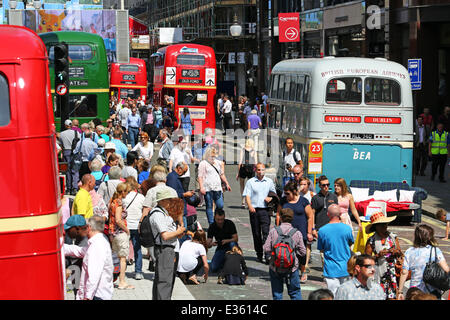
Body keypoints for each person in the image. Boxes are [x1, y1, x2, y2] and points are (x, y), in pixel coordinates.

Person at [63, 215, 114, 300]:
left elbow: (94, 274)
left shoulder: (97, 245)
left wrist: (87, 297)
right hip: (96, 294)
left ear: (89, 227)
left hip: (96, 295)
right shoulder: (96, 242)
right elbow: (79, 251)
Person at [150, 189, 186, 300]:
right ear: (163, 201)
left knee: (163, 279)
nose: (170, 202)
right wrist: (178, 232)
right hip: (165, 249)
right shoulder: (158, 215)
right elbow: (165, 235)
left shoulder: (161, 212)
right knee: (165, 281)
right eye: (169, 200)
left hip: (166, 248)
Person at [263, 208, 306, 300]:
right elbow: (303, 252)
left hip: (275, 266)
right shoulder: (297, 233)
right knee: (295, 293)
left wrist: (274, 253)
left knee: (277, 293)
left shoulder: (273, 231)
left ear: (280, 218)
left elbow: (266, 248)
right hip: (292, 267)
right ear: (292, 218)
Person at [398, 224, 450, 299]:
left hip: (415, 291)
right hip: (432, 290)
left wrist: (400, 291)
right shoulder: (435, 250)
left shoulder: (409, 251)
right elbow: (446, 269)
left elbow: (404, 272)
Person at [277, 180, 314, 283]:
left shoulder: (303, 201)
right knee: (287, 253)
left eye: (288, 193)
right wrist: (277, 229)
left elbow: (310, 216)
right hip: (286, 233)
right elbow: (278, 215)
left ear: (294, 192)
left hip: (301, 231)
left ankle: (303, 271)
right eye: (285, 193)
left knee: (301, 254)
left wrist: (309, 232)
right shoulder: (283, 201)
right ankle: (289, 272)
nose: (286, 195)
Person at [243, 163, 276, 264]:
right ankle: (259, 253)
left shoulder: (269, 181)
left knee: (266, 233)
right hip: (254, 210)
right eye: (258, 170)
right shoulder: (250, 182)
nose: (260, 172)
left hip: (265, 210)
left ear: (265, 170)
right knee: (256, 233)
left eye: (262, 170)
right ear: (255, 170)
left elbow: (274, 194)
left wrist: (270, 198)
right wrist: (250, 206)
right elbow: (247, 195)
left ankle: (267, 254)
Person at [364, 212, 403, 300]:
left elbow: (400, 253)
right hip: (379, 273)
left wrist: (396, 252)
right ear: (376, 227)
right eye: (382, 225)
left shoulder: (392, 237)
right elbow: (366, 259)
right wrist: (378, 255)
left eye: (386, 224)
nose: (385, 226)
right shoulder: (371, 240)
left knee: (392, 296)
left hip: (393, 272)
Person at [317, 204, 354, 295]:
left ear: (328, 214)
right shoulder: (347, 228)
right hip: (345, 267)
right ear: (340, 213)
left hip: (331, 268)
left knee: (332, 295)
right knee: (346, 295)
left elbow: (321, 248)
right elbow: (350, 243)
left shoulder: (322, 230)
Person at [108, 182, 134, 290]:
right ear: (122, 192)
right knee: (122, 259)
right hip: (120, 233)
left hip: (112, 233)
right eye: (127, 192)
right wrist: (127, 230)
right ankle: (122, 282)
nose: (127, 194)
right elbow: (118, 220)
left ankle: (110, 280)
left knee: (114, 258)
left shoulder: (112, 201)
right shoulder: (119, 203)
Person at [198, 146, 231, 225]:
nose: (213, 158)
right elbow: (200, 176)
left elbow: (222, 174)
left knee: (220, 205)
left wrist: (227, 183)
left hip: (217, 187)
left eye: (214, 156)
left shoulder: (218, 163)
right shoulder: (203, 163)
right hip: (208, 188)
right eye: (211, 156)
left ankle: (216, 219)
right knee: (209, 206)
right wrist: (201, 187)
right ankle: (211, 223)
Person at [123, 177, 145, 280]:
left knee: (123, 249)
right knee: (137, 249)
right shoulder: (140, 197)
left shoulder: (124, 197)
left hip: (125, 226)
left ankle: (120, 270)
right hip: (137, 226)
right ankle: (138, 272)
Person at [64, 215, 89, 299]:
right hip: (78, 280)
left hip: (85, 284)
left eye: (68, 229)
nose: (66, 231)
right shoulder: (78, 238)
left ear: (77, 228)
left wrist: (68, 270)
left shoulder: (86, 242)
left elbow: (77, 253)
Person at [207, 208, 239, 273]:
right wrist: (211, 244)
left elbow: (236, 239)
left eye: (222, 219)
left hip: (230, 246)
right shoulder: (212, 226)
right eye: (218, 219)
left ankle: (235, 262)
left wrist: (226, 241)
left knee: (232, 243)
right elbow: (208, 244)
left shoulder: (229, 223)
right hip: (221, 248)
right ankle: (224, 262)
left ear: (224, 217)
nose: (220, 222)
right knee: (213, 267)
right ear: (214, 218)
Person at [58, 119, 79, 195]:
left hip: (66, 152)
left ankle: (69, 188)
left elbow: (61, 144)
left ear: (65, 125)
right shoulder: (76, 133)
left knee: (68, 171)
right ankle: (75, 188)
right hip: (75, 152)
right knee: (75, 170)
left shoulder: (62, 134)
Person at [236, 138, 257, 208]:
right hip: (251, 169)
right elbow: (255, 162)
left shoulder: (243, 150)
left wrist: (238, 172)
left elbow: (240, 162)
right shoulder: (254, 151)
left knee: (242, 186)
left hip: (243, 168)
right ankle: (249, 202)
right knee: (250, 186)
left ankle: (243, 201)